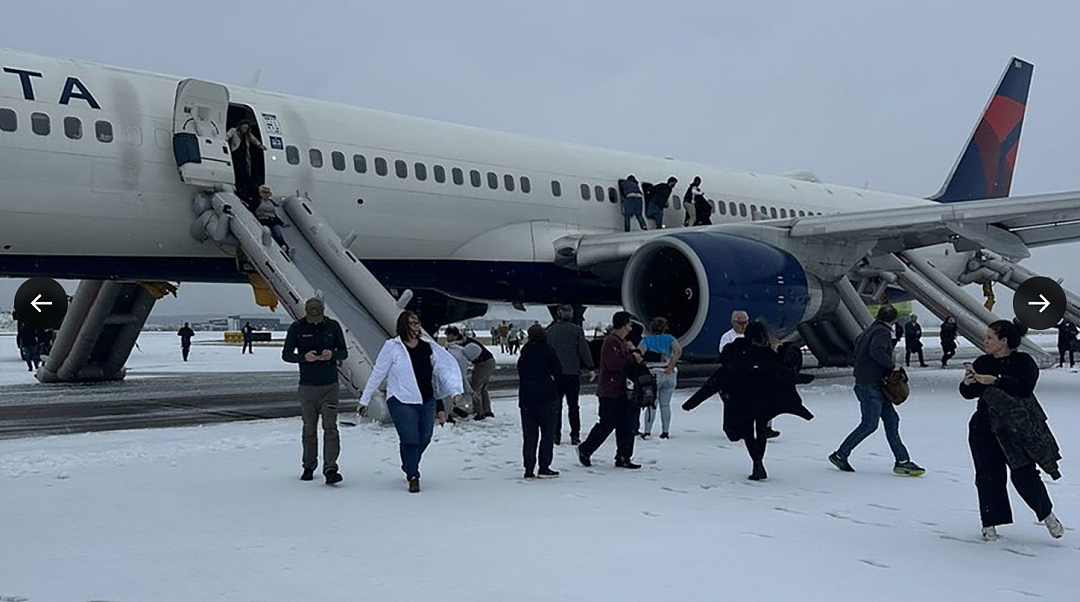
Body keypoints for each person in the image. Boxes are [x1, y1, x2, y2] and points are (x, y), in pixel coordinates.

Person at [960, 319, 1065, 541]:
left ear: (1004, 341)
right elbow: (969, 393)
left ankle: (1047, 514)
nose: (985, 341)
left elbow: (1025, 387)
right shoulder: (982, 362)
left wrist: (997, 380)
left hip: (1015, 428)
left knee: (1024, 474)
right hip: (985, 426)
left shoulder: (1023, 362)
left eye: (990, 337)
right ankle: (989, 524)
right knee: (988, 476)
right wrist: (969, 383)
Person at [683, 322, 814, 480]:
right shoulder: (769, 354)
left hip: (743, 400)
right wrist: (803, 379)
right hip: (764, 400)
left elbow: (718, 378)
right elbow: (782, 374)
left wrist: (692, 403)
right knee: (761, 431)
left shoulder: (736, 351)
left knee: (748, 432)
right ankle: (759, 463)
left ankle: (757, 463)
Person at [359, 311, 463, 493]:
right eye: (413, 324)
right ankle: (413, 475)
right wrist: (365, 399)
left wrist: (454, 391)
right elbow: (378, 373)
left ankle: (409, 462)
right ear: (403, 326)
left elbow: (442, 371)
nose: (416, 327)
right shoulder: (392, 347)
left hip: (426, 399)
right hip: (401, 399)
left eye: (417, 323)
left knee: (424, 438)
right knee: (410, 438)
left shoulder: (427, 346)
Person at [829, 305, 925, 476]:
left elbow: (857, 355)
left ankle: (902, 461)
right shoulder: (882, 333)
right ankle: (840, 454)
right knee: (869, 424)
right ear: (893, 320)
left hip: (871, 384)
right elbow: (877, 351)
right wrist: (892, 366)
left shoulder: (867, 332)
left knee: (891, 420)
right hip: (871, 385)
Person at [282, 298, 348, 485]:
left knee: (330, 427)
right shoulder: (297, 328)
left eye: (318, 317)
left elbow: (344, 352)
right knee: (309, 428)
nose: (315, 321)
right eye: (312, 318)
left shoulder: (333, 326)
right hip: (307, 386)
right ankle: (309, 465)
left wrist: (332, 354)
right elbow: (286, 354)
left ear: (322, 312)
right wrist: (304, 357)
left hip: (330, 385)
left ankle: (330, 468)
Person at [577, 311, 644, 469]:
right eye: (629, 324)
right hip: (610, 391)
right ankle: (586, 449)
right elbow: (613, 364)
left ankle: (623, 456)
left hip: (622, 390)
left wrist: (633, 352)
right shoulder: (611, 342)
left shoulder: (621, 342)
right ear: (623, 324)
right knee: (607, 423)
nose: (630, 327)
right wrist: (632, 358)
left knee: (626, 425)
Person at [719, 309, 779, 439]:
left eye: (745, 323)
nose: (743, 326)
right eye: (740, 323)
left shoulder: (754, 334)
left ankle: (766, 427)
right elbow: (726, 356)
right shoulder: (727, 337)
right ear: (733, 323)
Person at [517, 324, 563, 479]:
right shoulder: (548, 350)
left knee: (530, 436)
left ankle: (528, 468)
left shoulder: (526, 351)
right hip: (547, 396)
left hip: (527, 397)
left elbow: (521, 371)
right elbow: (558, 370)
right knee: (547, 434)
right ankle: (544, 466)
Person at [546, 304, 596, 445]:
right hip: (572, 373)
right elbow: (583, 350)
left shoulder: (551, 331)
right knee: (573, 406)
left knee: (556, 406)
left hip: (556, 375)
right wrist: (591, 367)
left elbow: (547, 352)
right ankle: (575, 435)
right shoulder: (577, 330)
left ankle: (556, 435)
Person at [638, 317, 681, 440]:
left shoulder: (646, 340)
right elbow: (678, 350)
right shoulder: (670, 339)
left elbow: (640, 353)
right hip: (668, 372)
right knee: (665, 405)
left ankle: (647, 431)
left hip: (653, 373)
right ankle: (665, 431)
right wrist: (671, 365)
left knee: (651, 404)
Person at [444, 326, 497, 420]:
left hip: (483, 364)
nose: (447, 338)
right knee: (483, 388)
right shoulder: (463, 344)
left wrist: (471, 392)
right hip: (489, 361)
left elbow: (461, 376)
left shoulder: (463, 346)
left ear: (454, 335)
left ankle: (479, 412)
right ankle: (486, 410)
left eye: (448, 335)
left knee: (476, 387)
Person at [226, 120, 266, 204]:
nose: (245, 130)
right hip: (235, 154)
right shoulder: (233, 131)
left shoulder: (247, 136)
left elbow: (253, 139)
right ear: (240, 126)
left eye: (246, 128)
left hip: (243, 156)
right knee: (238, 170)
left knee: (245, 172)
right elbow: (227, 136)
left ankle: (242, 189)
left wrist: (260, 145)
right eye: (244, 128)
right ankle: (237, 187)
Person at [254, 186, 292, 255]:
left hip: (272, 221)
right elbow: (253, 210)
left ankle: (286, 248)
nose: (266, 194)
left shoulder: (270, 202)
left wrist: (282, 223)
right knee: (269, 235)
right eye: (264, 193)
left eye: (268, 193)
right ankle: (277, 250)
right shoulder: (258, 201)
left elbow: (274, 215)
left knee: (278, 235)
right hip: (263, 220)